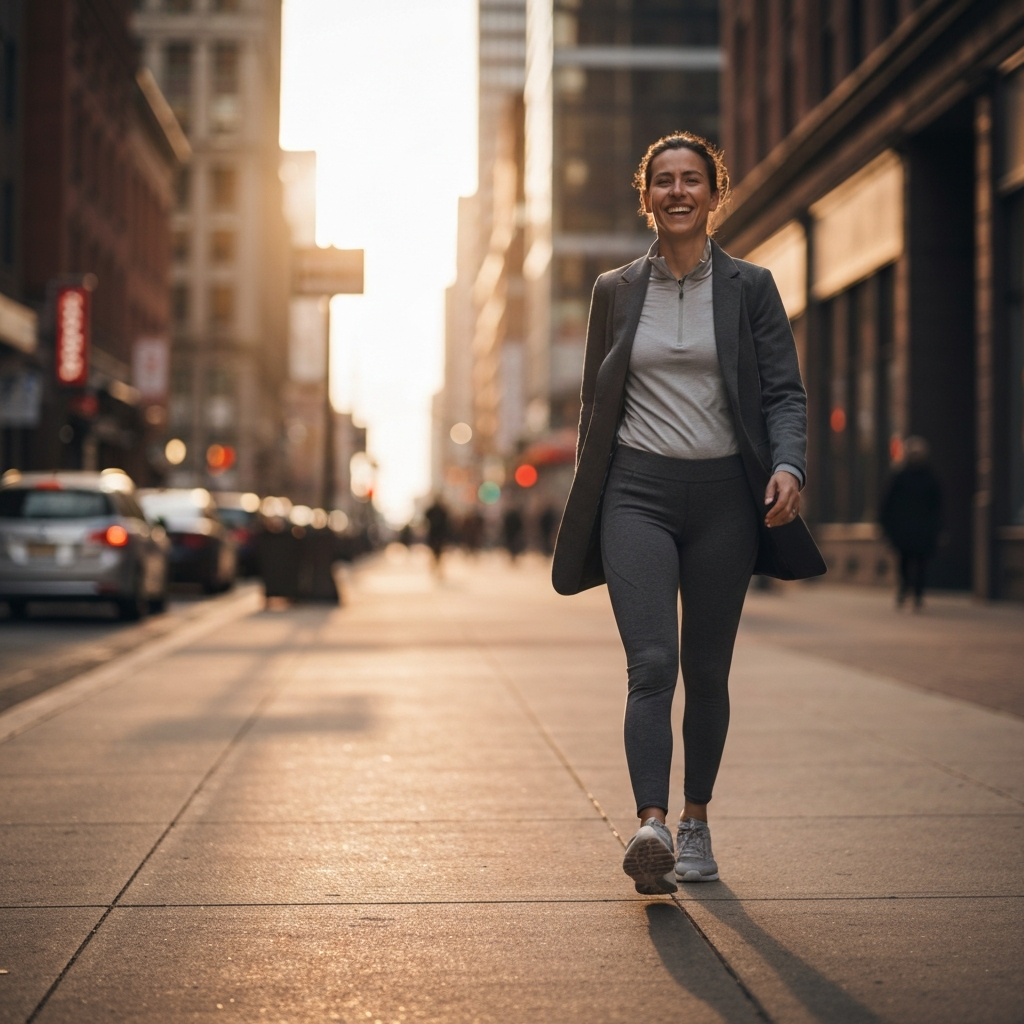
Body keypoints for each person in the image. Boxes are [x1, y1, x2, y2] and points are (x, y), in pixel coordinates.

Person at [552, 132, 823, 895]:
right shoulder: (613, 290)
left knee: (706, 670)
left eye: (692, 180)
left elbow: (783, 393)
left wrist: (789, 464)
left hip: (723, 503)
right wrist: (594, 489)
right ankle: (652, 826)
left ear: (714, 193)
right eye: (663, 181)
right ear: (647, 197)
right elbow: (594, 407)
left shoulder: (752, 287)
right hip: (635, 493)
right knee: (651, 665)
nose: (678, 192)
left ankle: (697, 821)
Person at [879, 436, 943, 610]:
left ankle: (918, 594)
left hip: (922, 529)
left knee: (921, 562)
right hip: (904, 529)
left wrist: (938, 528)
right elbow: (887, 503)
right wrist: (885, 526)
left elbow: (937, 505)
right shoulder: (899, 477)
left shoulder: (929, 478)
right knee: (904, 561)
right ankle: (905, 588)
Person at [423, 497, 449, 572]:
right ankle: (435, 566)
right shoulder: (440, 510)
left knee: (437, 551)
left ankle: (436, 566)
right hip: (437, 534)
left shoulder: (440, 510)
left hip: (437, 534)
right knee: (436, 551)